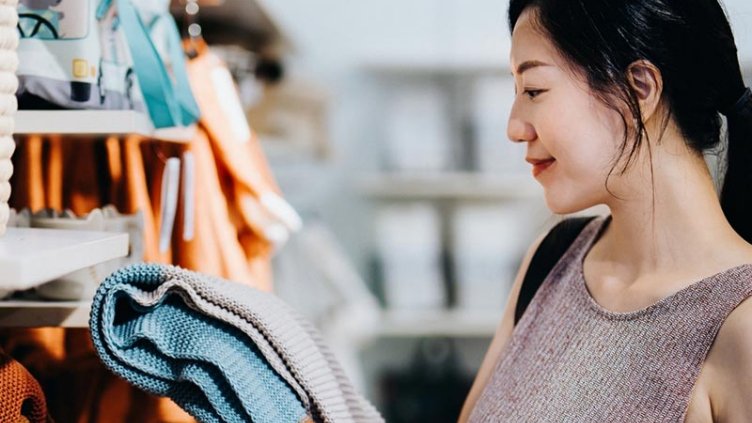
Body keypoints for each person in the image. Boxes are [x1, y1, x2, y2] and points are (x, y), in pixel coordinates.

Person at [459, 0, 752, 421]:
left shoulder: (741, 323)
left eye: (534, 90)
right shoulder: (552, 258)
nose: (513, 127)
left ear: (639, 87)